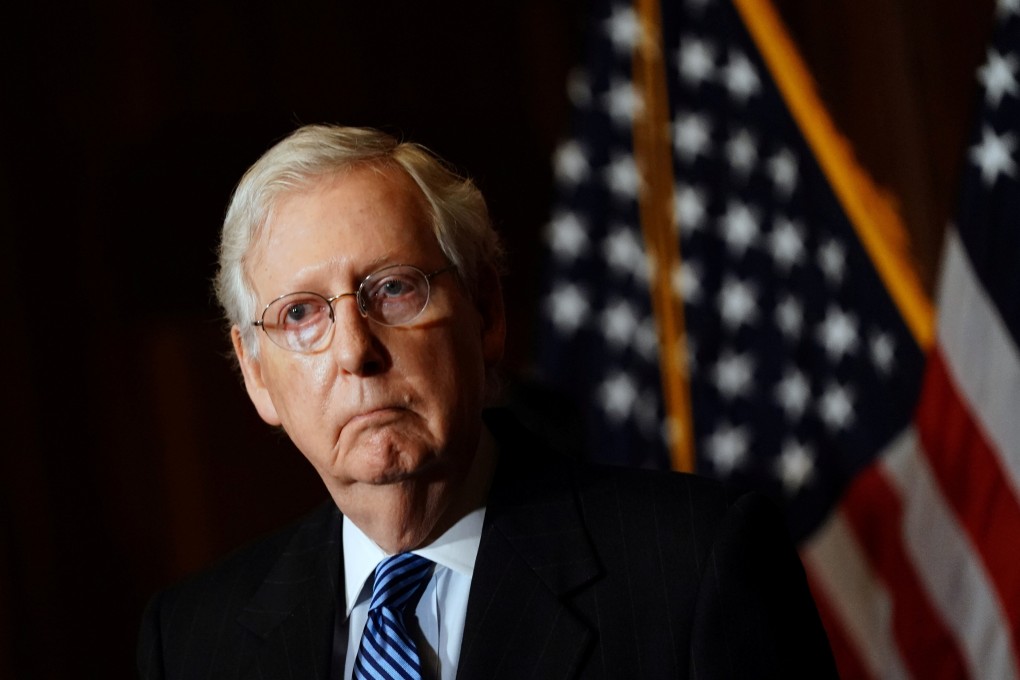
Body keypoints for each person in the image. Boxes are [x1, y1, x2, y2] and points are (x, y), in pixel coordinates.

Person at [138, 124, 838, 679]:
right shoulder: (193, 641)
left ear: (487, 311)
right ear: (257, 376)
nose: (355, 351)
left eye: (393, 289)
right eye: (299, 315)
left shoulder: (693, 567)